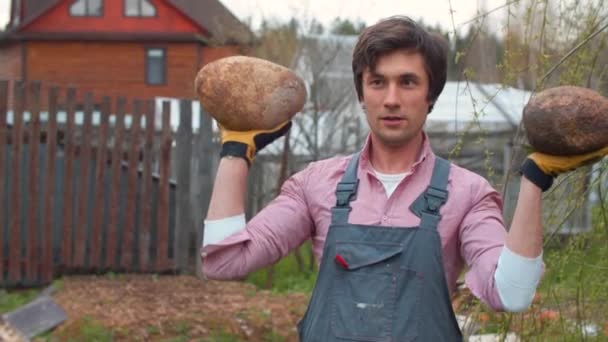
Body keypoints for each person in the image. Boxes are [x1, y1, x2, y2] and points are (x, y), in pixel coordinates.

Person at [200, 16, 608, 341]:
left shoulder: (465, 194)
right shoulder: (317, 184)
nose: (391, 98)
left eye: (408, 82)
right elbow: (225, 261)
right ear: (362, 94)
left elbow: (512, 295)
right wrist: (237, 151)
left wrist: (534, 181)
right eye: (378, 82)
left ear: (431, 95)